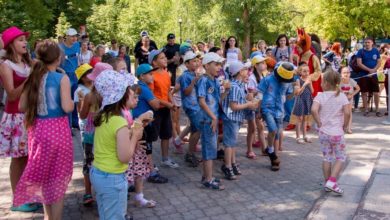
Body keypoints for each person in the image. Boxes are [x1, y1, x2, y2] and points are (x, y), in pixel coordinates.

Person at [14, 39, 74, 218]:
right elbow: (67, 107)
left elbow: (21, 107)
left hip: (38, 131)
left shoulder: (33, 77)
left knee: (47, 178)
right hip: (58, 131)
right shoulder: (61, 78)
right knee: (57, 178)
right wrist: (75, 100)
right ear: (57, 58)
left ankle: (49, 217)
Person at [91, 70, 146, 219]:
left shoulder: (103, 115)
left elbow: (110, 141)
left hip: (98, 173)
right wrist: (134, 136)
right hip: (112, 178)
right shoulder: (119, 121)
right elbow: (124, 157)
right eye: (127, 90)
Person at [0, 26, 38, 212]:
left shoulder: (26, 63)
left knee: (28, 158)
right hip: (15, 116)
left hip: (29, 115)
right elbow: (12, 95)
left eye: (25, 39)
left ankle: (26, 195)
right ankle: (17, 200)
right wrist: (28, 80)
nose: (25, 43)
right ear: (11, 45)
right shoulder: (5, 66)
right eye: (20, 40)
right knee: (18, 159)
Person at [311, 69, 351, 195]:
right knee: (340, 157)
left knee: (327, 157)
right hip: (337, 133)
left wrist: (318, 122)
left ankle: (327, 182)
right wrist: (345, 125)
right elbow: (347, 112)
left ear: (326, 83)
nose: (321, 84)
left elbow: (313, 110)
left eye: (322, 81)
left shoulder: (320, 96)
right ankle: (332, 182)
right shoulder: (342, 96)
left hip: (323, 132)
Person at [78, 62, 112, 206]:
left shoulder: (89, 96)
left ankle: (87, 193)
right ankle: (105, 193)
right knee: (105, 163)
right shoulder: (113, 96)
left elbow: (83, 115)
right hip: (107, 135)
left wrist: (82, 104)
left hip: (90, 135)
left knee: (89, 163)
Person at [221, 61, 258, 180]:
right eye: (245, 69)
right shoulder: (235, 87)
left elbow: (239, 101)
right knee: (229, 144)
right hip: (231, 118)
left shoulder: (240, 85)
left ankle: (232, 163)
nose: (247, 72)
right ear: (240, 72)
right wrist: (248, 105)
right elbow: (233, 106)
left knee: (232, 143)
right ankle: (227, 166)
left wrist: (248, 99)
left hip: (235, 118)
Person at [133, 64, 168, 184]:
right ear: (142, 76)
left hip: (139, 122)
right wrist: (159, 99)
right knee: (146, 149)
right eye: (149, 74)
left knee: (142, 149)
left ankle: (145, 171)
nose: (152, 76)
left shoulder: (140, 87)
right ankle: (151, 173)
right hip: (143, 124)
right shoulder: (144, 88)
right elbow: (156, 105)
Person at [258, 62, 295, 171]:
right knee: (273, 130)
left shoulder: (287, 83)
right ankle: (270, 151)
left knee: (277, 135)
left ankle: (274, 158)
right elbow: (259, 95)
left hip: (280, 111)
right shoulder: (267, 80)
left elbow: (288, 97)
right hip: (267, 108)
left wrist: (295, 92)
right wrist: (258, 111)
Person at [197, 52, 226, 190]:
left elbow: (218, 99)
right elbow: (202, 101)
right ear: (207, 65)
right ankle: (208, 179)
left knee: (212, 148)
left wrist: (225, 91)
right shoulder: (203, 80)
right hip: (207, 120)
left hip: (213, 118)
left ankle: (207, 175)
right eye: (216, 64)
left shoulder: (214, 80)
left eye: (220, 64)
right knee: (209, 150)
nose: (219, 67)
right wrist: (213, 117)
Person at [148, 49, 179, 168]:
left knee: (166, 134)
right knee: (151, 136)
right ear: (154, 63)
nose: (165, 59)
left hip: (166, 108)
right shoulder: (152, 76)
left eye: (165, 57)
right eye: (161, 58)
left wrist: (172, 102)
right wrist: (167, 104)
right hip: (156, 110)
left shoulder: (166, 73)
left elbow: (167, 92)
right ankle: (148, 162)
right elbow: (152, 96)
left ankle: (165, 158)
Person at [179, 51, 202, 167]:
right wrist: (194, 82)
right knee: (198, 130)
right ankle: (190, 154)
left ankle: (190, 153)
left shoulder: (195, 74)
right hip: (190, 106)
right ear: (187, 64)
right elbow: (186, 92)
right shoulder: (184, 76)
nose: (196, 63)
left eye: (197, 61)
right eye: (193, 61)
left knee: (194, 130)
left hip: (197, 106)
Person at [247, 55, 268, 158]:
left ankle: (264, 149)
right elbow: (251, 94)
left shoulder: (263, 76)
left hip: (259, 105)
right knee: (253, 128)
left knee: (259, 127)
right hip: (253, 106)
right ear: (256, 65)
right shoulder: (252, 78)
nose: (264, 64)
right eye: (262, 63)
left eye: (264, 62)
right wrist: (258, 91)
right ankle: (250, 150)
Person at [59, 28, 80, 129]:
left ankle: (75, 123)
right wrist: (61, 72)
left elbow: (79, 59)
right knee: (67, 99)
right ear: (66, 37)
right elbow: (56, 63)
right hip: (65, 75)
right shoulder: (60, 48)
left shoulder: (77, 45)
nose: (74, 38)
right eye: (72, 36)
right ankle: (68, 124)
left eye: (75, 36)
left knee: (75, 99)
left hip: (75, 75)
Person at [356, 37, 382, 117]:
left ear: (372, 43)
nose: (367, 44)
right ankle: (366, 109)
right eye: (365, 42)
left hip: (373, 75)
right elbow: (359, 63)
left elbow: (379, 62)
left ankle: (377, 110)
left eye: (368, 42)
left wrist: (374, 70)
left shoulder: (375, 51)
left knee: (376, 92)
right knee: (364, 92)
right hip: (363, 74)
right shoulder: (361, 51)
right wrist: (369, 70)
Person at [293, 62, 314, 144]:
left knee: (305, 118)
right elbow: (298, 93)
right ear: (300, 72)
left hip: (307, 100)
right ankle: (298, 137)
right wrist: (305, 84)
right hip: (300, 100)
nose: (306, 73)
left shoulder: (309, 80)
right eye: (304, 71)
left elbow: (312, 91)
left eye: (308, 71)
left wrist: (309, 84)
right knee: (299, 119)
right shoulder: (298, 80)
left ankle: (305, 135)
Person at [339, 66, 360, 133]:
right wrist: (341, 92)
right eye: (344, 72)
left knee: (349, 113)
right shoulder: (339, 81)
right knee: (340, 113)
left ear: (350, 74)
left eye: (348, 72)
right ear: (341, 74)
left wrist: (352, 94)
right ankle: (341, 127)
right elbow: (335, 88)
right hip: (340, 100)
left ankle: (348, 128)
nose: (346, 74)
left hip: (349, 99)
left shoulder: (351, 81)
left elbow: (358, 88)